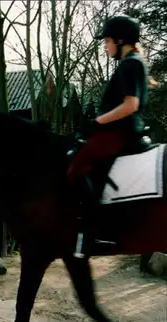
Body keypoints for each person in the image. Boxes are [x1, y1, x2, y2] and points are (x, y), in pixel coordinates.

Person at [67, 15, 159, 258]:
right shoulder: (132, 62)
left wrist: (97, 122)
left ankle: (87, 234)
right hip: (120, 129)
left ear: (121, 40)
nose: (105, 45)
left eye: (107, 40)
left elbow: (130, 104)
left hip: (121, 132)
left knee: (78, 165)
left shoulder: (130, 64)